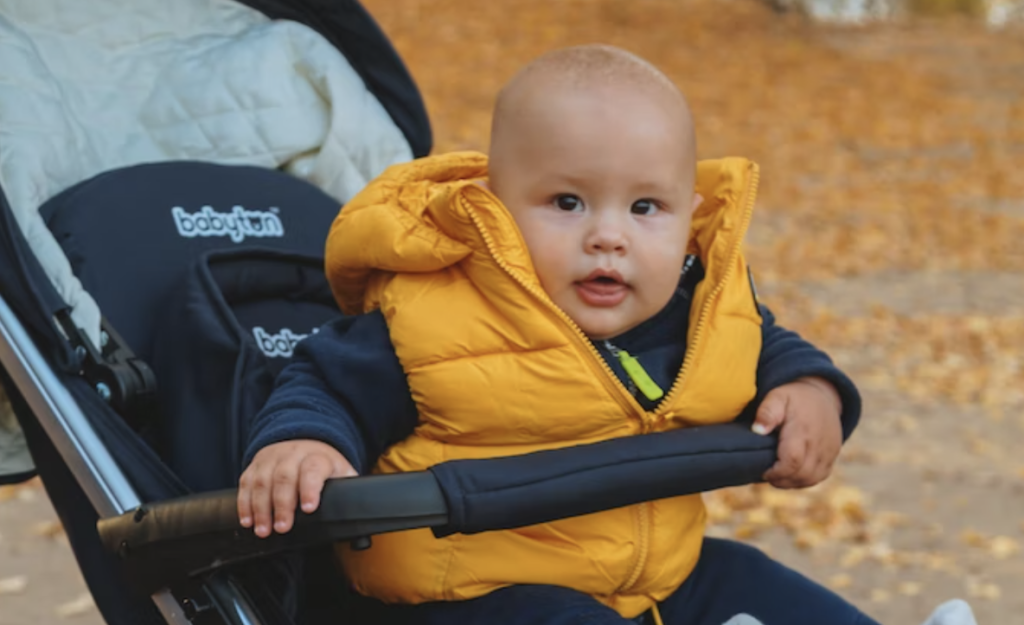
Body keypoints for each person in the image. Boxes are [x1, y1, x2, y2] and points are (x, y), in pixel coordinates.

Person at [236, 45, 974, 625]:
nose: (609, 237)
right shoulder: (439, 314)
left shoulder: (689, 306)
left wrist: (809, 389)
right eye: (567, 202)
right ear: (494, 206)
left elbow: (762, 345)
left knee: (746, 579)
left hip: (648, 580)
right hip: (474, 594)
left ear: (688, 215)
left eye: (646, 207)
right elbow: (324, 380)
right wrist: (307, 441)